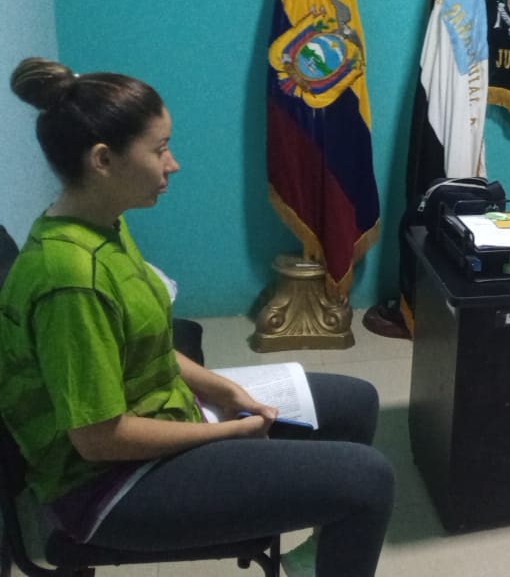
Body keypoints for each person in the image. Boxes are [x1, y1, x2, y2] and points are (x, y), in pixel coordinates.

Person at [0, 58, 394, 577]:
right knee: (367, 482)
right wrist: (224, 434)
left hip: (163, 411)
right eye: (159, 149)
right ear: (103, 160)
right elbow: (99, 439)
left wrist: (225, 391)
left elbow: (145, 345)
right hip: (107, 486)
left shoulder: (101, 223)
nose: (173, 164)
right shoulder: (71, 279)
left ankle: (317, 559)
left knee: (356, 402)